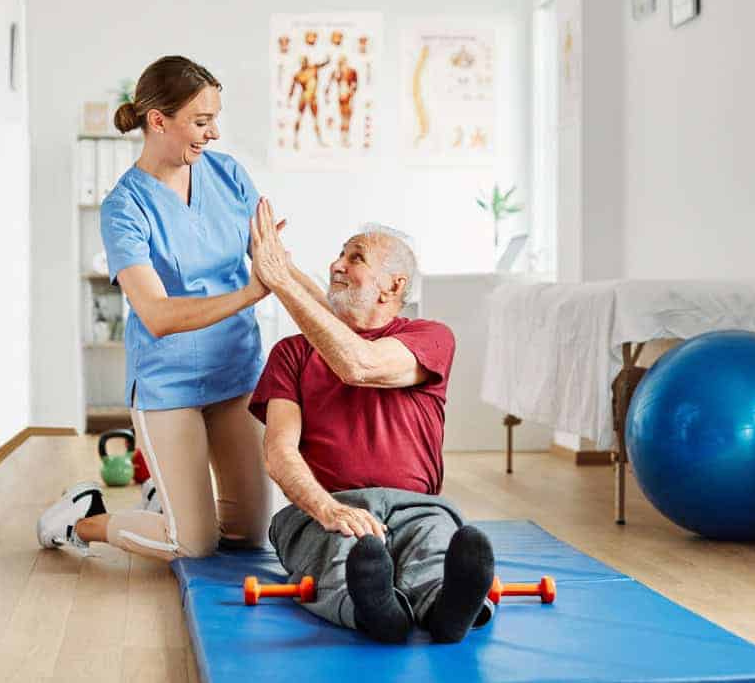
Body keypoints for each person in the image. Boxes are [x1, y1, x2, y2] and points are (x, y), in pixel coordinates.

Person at [36, 56, 324, 561]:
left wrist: (335, 315)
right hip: (169, 386)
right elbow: (158, 315)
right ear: (158, 120)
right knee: (192, 542)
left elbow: (273, 263)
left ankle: (161, 498)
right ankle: (82, 520)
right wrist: (252, 293)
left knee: (248, 534)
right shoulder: (125, 206)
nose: (213, 133)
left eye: (216, 118)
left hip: (236, 375)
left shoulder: (229, 175)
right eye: (201, 120)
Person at [247, 201, 496, 644]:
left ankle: (446, 610)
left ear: (393, 285)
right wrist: (327, 508)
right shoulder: (290, 353)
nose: (336, 265)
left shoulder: (429, 337)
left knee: (433, 546)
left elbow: (358, 364)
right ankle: (376, 613)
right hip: (325, 507)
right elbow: (279, 451)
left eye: (355, 257)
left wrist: (283, 279)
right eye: (339, 254)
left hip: (416, 506)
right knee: (342, 552)